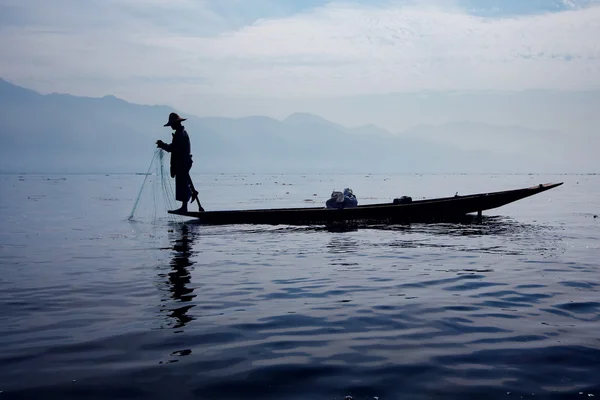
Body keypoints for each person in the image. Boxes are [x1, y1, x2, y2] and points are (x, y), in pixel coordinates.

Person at [156, 112, 202, 213]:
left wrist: (163, 145)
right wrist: (164, 145)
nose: (171, 126)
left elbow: (174, 148)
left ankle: (186, 203)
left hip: (183, 162)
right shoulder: (180, 133)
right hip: (183, 162)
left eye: (172, 124)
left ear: (177, 123)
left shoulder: (181, 134)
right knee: (183, 182)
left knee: (182, 183)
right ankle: (192, 193)